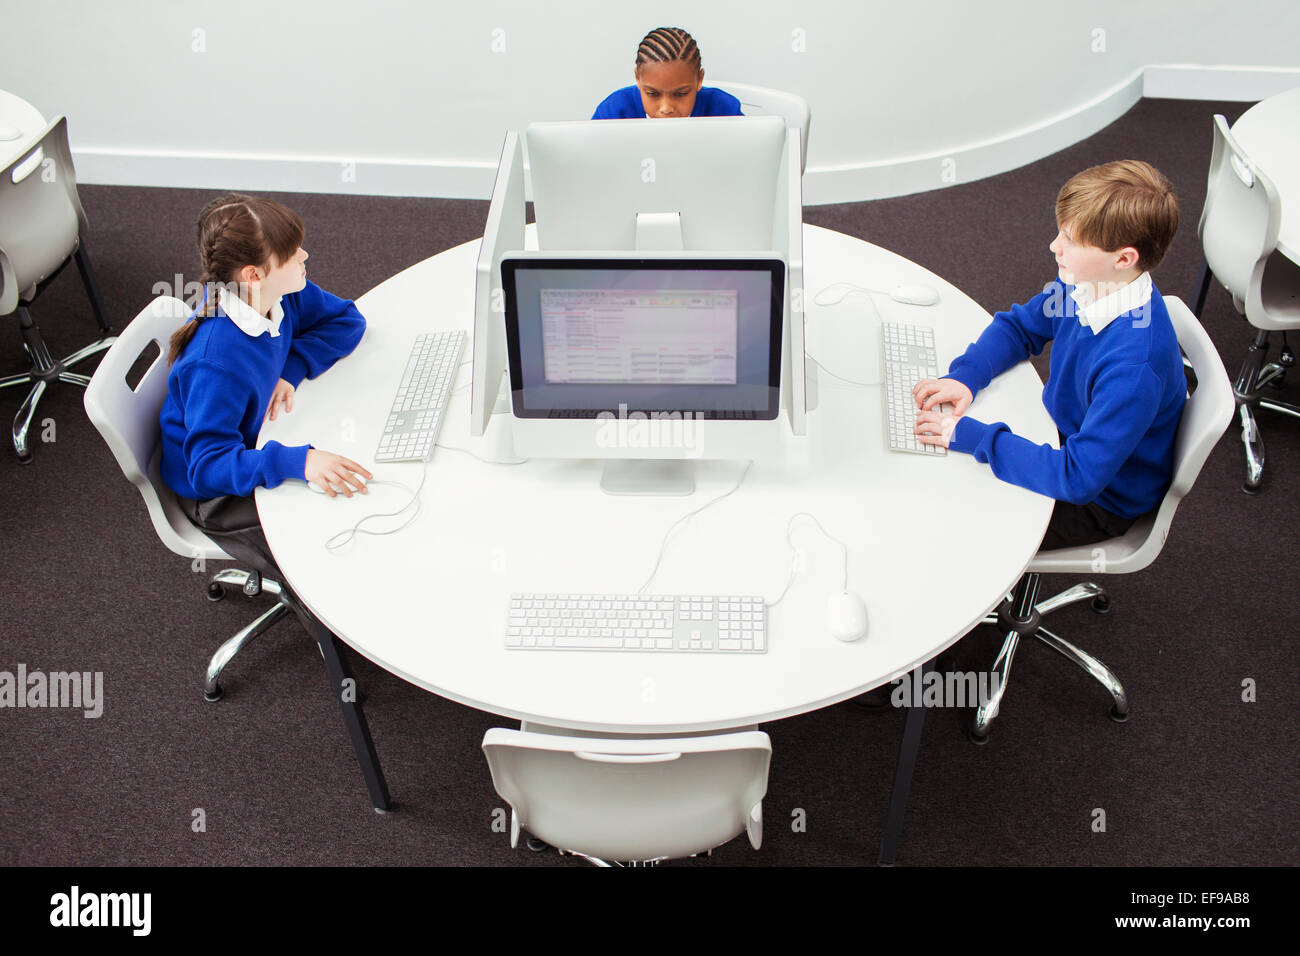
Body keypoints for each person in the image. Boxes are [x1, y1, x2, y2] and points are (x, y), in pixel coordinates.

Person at [912, 160, 1186, 551]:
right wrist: (966, 377)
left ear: (1123, 259)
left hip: (1097, 500)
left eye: (1072, 240)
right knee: (937, 471)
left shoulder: (1134, 368)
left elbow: (1078, 478)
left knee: (948, 520)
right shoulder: (1086, 282)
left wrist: (971, 436)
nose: (1054, 246)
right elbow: (1020, 327)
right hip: (1062, 436)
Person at [160, 193, 370, 579]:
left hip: (257, 438)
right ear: (254, 274)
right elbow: (208, 467)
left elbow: (347, 320)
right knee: (336, 538)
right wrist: (298, 462)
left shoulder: (280, 295)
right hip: (217, 494)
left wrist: (289, 370)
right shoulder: (215, 364)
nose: (304, 256)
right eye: (291, 254)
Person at [592, 27, 742, 120]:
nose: (666, 108)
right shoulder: (613, 111)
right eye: (652, 93)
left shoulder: (725, 110)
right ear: (638, 78)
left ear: (699, 79)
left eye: (681, 94)